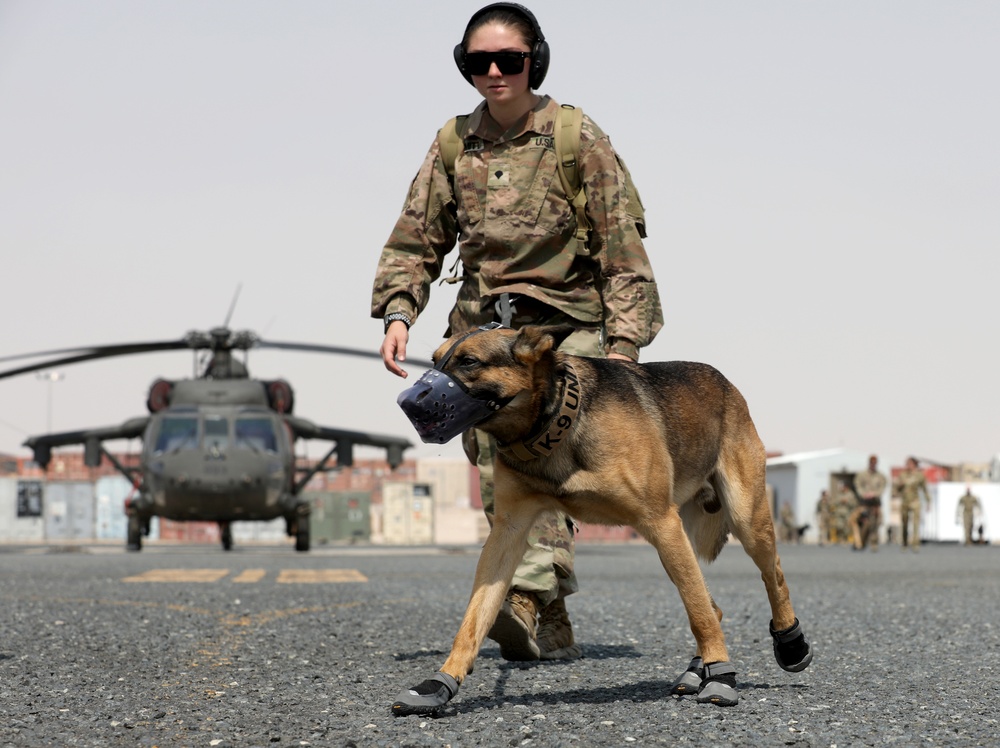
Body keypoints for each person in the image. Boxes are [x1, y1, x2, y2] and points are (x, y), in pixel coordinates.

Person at [371, 3, 662, 662]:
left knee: (546, 454)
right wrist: (398, 310)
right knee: (494, 465)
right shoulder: (453, 143)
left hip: (567, 332)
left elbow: (621, 246)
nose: (496, 72)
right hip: (483, 332)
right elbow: (418, 236)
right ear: (465, 67)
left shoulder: (574, 138)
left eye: (510, 60)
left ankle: (524, 596)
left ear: (536, 61)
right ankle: (545, 614)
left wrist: (624, 349)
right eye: (480, 62)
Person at [892, 456, 931, 551]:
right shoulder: (903, 475)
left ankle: (915, 543)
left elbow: (924, 489)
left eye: (910, 464)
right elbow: (895, 489)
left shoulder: (920, 475)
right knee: (904, 523)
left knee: (916, 523)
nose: (908, 466)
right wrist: (899, 486)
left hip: (915, 501)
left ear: (914, 464)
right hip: (905, 501)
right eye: (907, 464)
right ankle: (905, 543)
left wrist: (928, 501)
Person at [850, 455, 886, 551]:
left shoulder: (880, 476)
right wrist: (863, 494)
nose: (873, 465)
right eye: (871, 462)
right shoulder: (862, 475)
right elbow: (857, 485)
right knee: (860, 522)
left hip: (875, 503)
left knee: (876, 523)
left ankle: (874, 543)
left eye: (875, 463)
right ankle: (859, 542)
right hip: (864, 503)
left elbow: (882, 487)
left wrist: (875, 493)